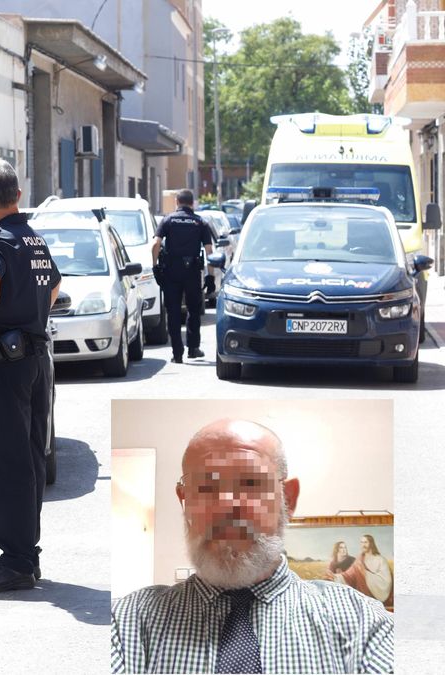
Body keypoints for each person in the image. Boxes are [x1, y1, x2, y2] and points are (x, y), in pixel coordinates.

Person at [111, 419, 395, 673]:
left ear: (289, 499)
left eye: (250, 483)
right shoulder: (128, 622)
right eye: (205, 487)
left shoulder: (363, 623)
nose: (227, 506)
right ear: (184, 501)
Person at [0, 159, 60, 593]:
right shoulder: (36, 241)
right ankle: (27, 553)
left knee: (7, 461)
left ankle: (16, 560)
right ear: (19, 196)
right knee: (30, 458)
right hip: (38, 360)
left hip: (5, 360)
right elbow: (55, 287)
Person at [151, 189, 214, 363]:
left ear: (177, 202)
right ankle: (193, 349)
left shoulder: (168, 220)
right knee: (194, 311)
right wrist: (210, 277)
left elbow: (155, 244)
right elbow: (209, 251)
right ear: (192, 203)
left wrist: (155, 266)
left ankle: (177, 354)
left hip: (172, 272)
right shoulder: (200, 222)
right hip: (192, 272)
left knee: (173, 312)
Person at [334, 534, 393, 607]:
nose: (363, 545)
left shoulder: (381, 559)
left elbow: (386, 581)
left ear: (371, 543)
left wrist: (365, 574)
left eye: (365, 542)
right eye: (361, 542)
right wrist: (336, 577)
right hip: (363, 600)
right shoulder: (359, 560)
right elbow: (348, 575)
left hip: (377, 598)